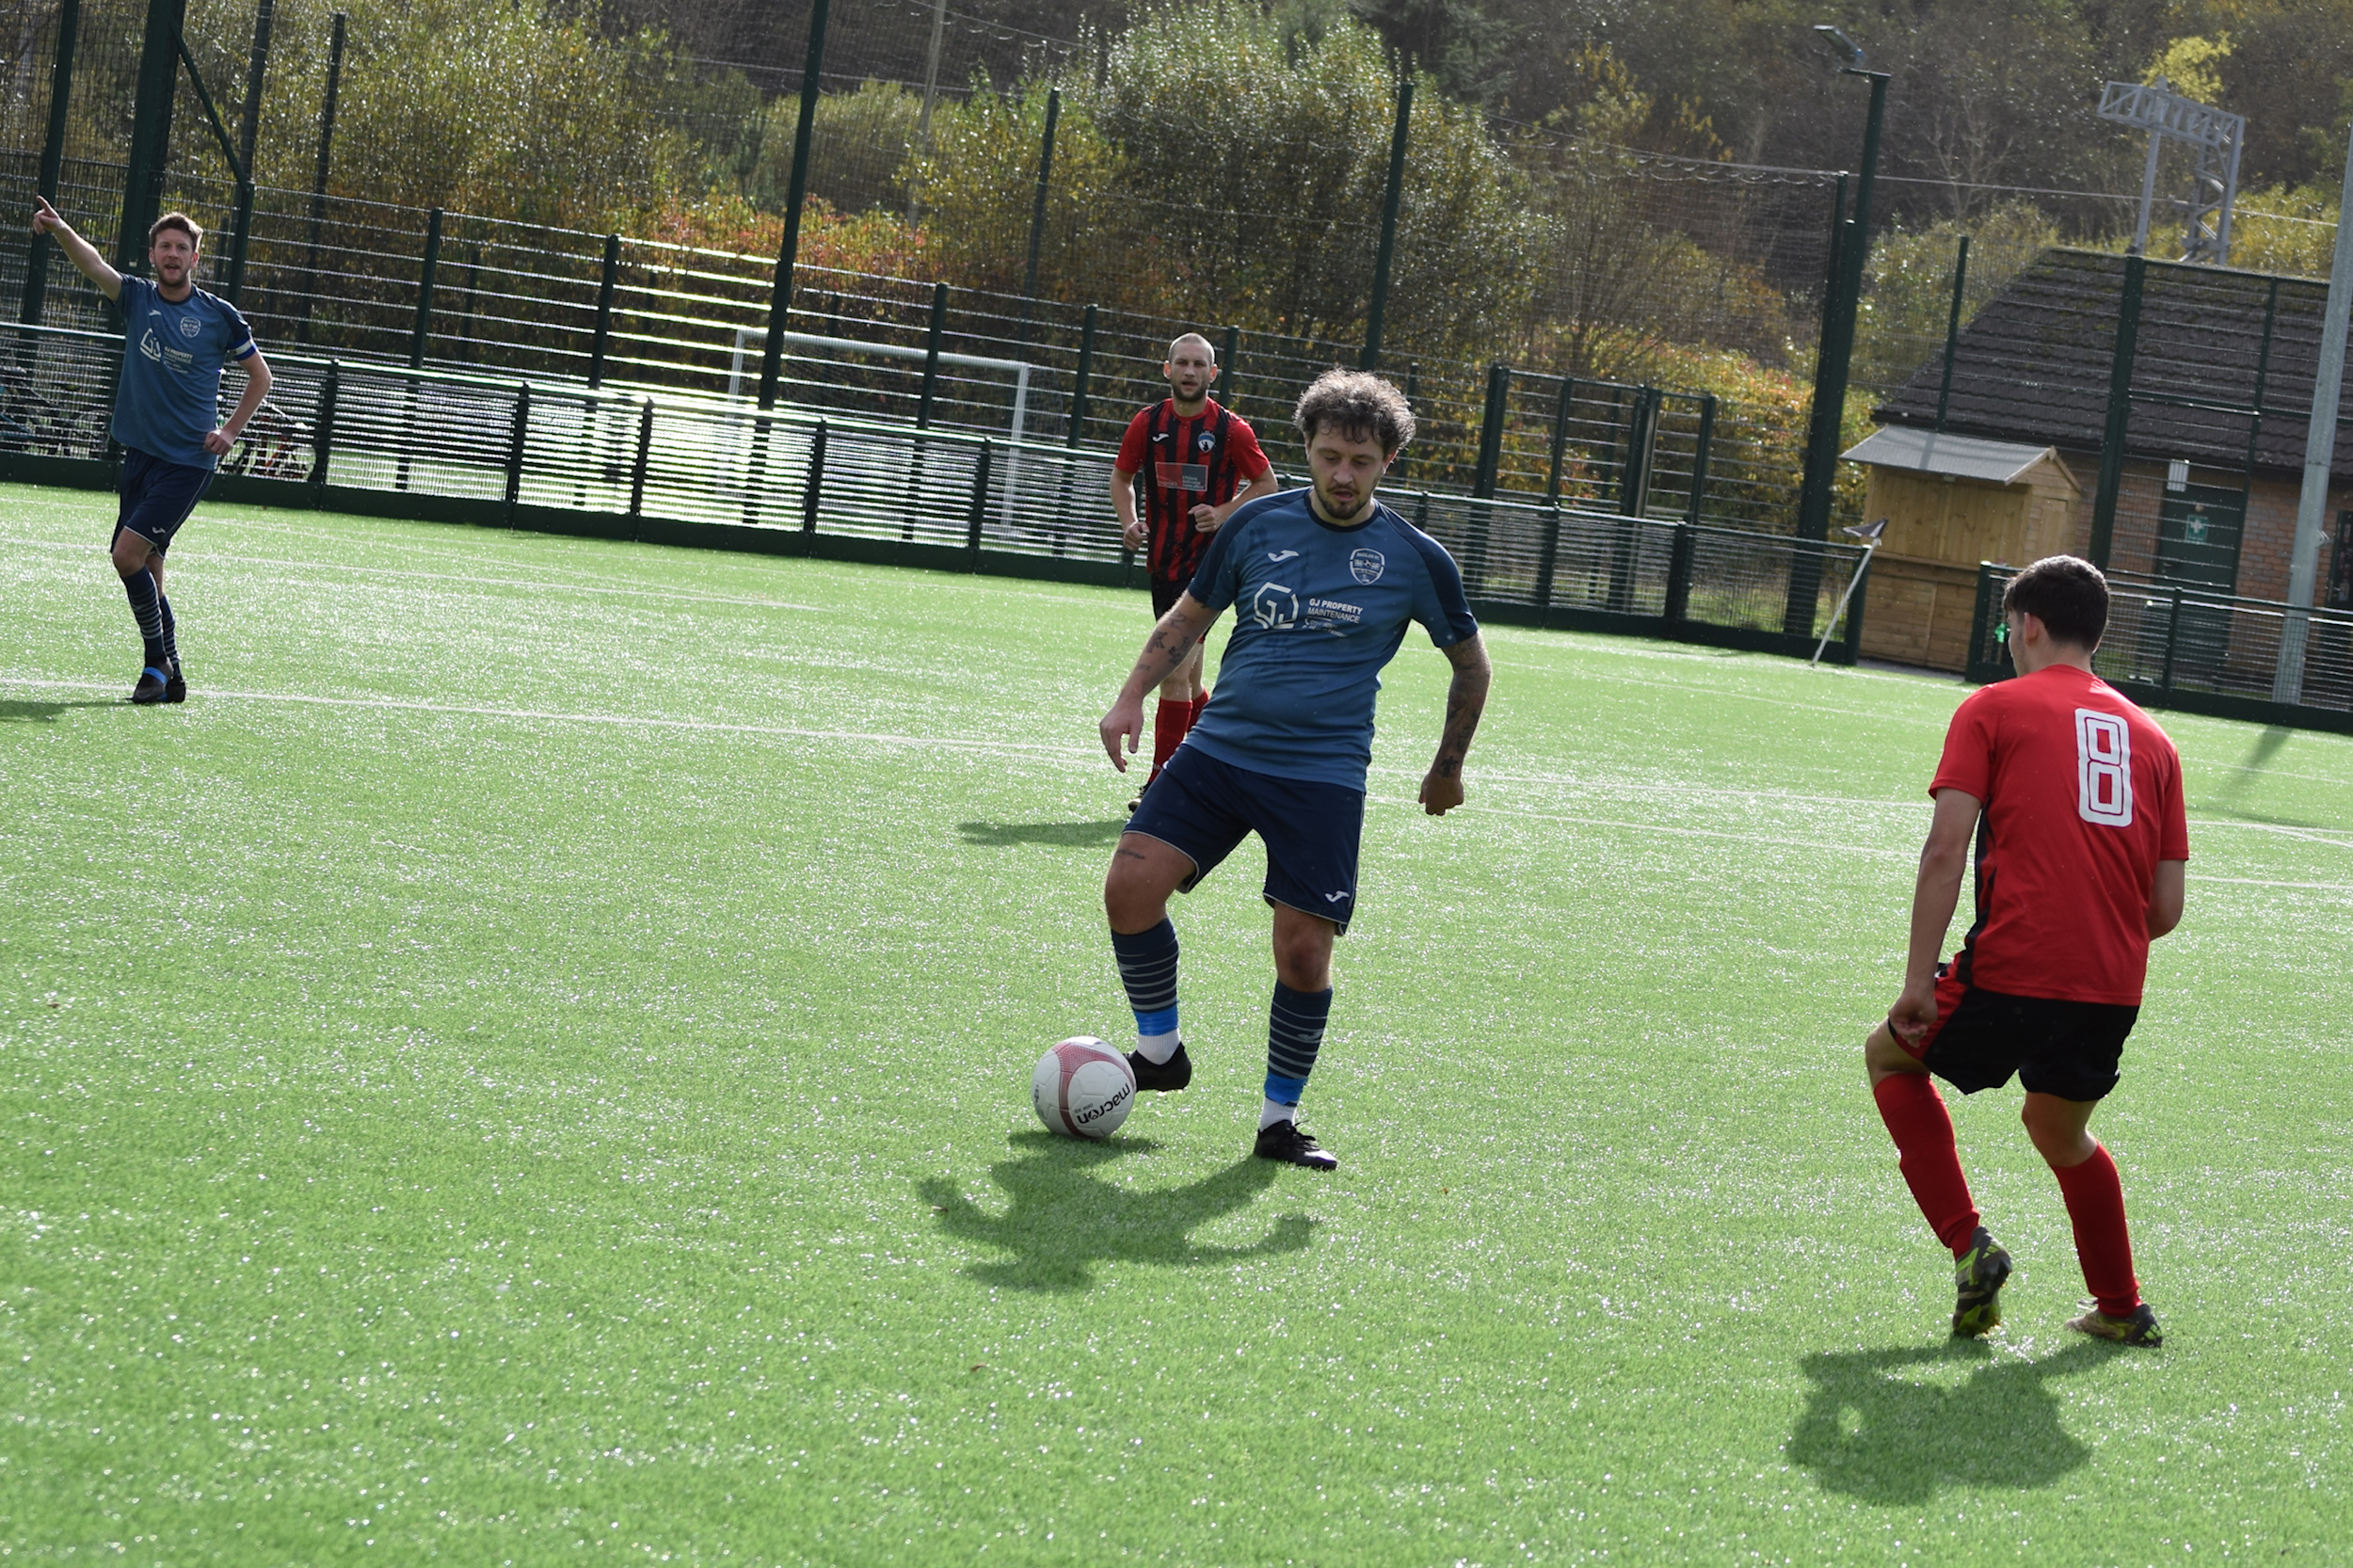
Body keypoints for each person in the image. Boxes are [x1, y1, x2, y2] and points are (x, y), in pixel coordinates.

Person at [1096, 369, 1492, 1170]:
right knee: (1128, 890)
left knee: (1303, 954)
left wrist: (1447, 766)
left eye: (1361, 460)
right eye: (1329, 455)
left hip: (1322, 775)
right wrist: (1131, 694)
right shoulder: (1255, 527)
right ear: (1306, 450)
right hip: (1219, 752)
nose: (1343, 474)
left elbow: (1471, 665)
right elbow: (1189, 618)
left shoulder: (1416, 558)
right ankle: (1161, 1050)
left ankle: (1279, 1120)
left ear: (1387, 462)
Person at [1865, 555, 2186, 1347]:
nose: (2009, 639)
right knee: (2059, 1129)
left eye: (2009, 626)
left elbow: (1946, 851)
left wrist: (1918, 981)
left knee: (1889, 1058)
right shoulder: (2155, 739)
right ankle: (2121, 1308)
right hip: (2111, 985)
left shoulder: (1994, 709)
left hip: (2014, 967)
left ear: (2029, 624)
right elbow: (2166, 909)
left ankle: (1970, 1244)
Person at [29, 199, 272, 705]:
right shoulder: (138, 298)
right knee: (150, 568)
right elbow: (94, 264)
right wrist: (60, 230)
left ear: (195, 258)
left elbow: (260, 377)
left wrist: (229, 431)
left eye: (182, 247)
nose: (172, 253)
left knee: (125, 555)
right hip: (140, 456)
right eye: (165, 245)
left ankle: (156, 660)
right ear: (153, 254)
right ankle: (168, 673)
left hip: (187, 462)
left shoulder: (218, 316)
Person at [1110, 332, 1278, 805]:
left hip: (1208, 569)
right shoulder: (1148, 423)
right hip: (1162, 563)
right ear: (1167, 370)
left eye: (1198, 365)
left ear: (1212, 373)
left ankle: (1161, 785)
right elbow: (1121, 477)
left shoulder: (1231, 430)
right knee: (1192, 680)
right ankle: (1216, 760)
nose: (1189, 372)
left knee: (1174, 675)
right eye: (1181, 363)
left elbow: (1267, 484)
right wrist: (1129, 521)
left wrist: (1224, 511)